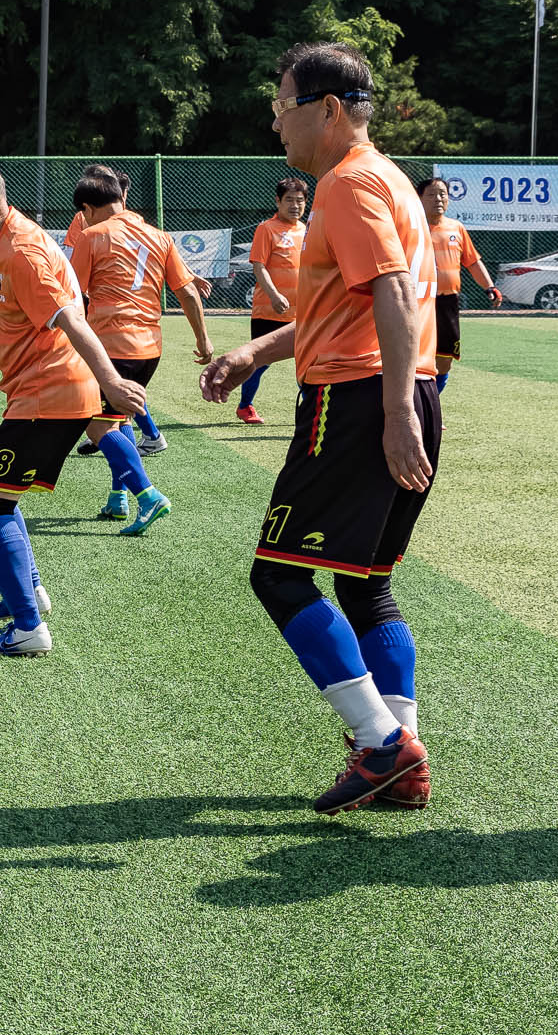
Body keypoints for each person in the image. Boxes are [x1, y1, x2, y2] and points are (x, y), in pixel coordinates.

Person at [202, 43, 439, 813]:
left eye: (284, 107)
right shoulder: (390, 179)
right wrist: (255, 350)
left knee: (277, 572)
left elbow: (395, 294)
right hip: (404, 390)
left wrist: (394, 410)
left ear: (329, 109)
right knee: (367, 584)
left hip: (361, 400)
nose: (277, 124)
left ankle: (381, 743)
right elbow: (343, 304)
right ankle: (403, 756)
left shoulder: (348, 183)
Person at [0, 157, 148, 657]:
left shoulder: (22, 252)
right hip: (38, 393)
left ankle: (29, 626)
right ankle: (28, 591)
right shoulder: (0, 243)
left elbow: (72, 320)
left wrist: (112, 382)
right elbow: (2, 312)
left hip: (50, 394)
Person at [64, 164, 212, 533]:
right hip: (149, 348)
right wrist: (203, 339)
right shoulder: (159, 236)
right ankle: (118, 499)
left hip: (111, 346)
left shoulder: (91, 236)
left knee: (95, 425)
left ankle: (147, 496)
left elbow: (73, 296)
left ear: (86, 208)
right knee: (118, 419)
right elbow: (189, 291)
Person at [235, 176, 308, 425]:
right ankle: (245, 406)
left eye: (300, 201)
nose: (295, 206)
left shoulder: (308, 230)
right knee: (259, 362)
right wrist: (275, 295)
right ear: (278, 201)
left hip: (304, 313)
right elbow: (259, 265)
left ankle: (310, 408)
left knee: (308, 360)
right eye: (289, 200)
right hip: (269, 311)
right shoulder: (267, 229)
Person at [418, 176, 498, 390]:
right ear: (419, 198)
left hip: (448, 302)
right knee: (415, 356)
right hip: (418, 301)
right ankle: (415, 411)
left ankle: (432, 408)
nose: (438, 199)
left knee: (444, 360)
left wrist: (489, 287)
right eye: (432, 194)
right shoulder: (411, 228)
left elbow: (472, 262)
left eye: (442, 194)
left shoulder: (456, 228)